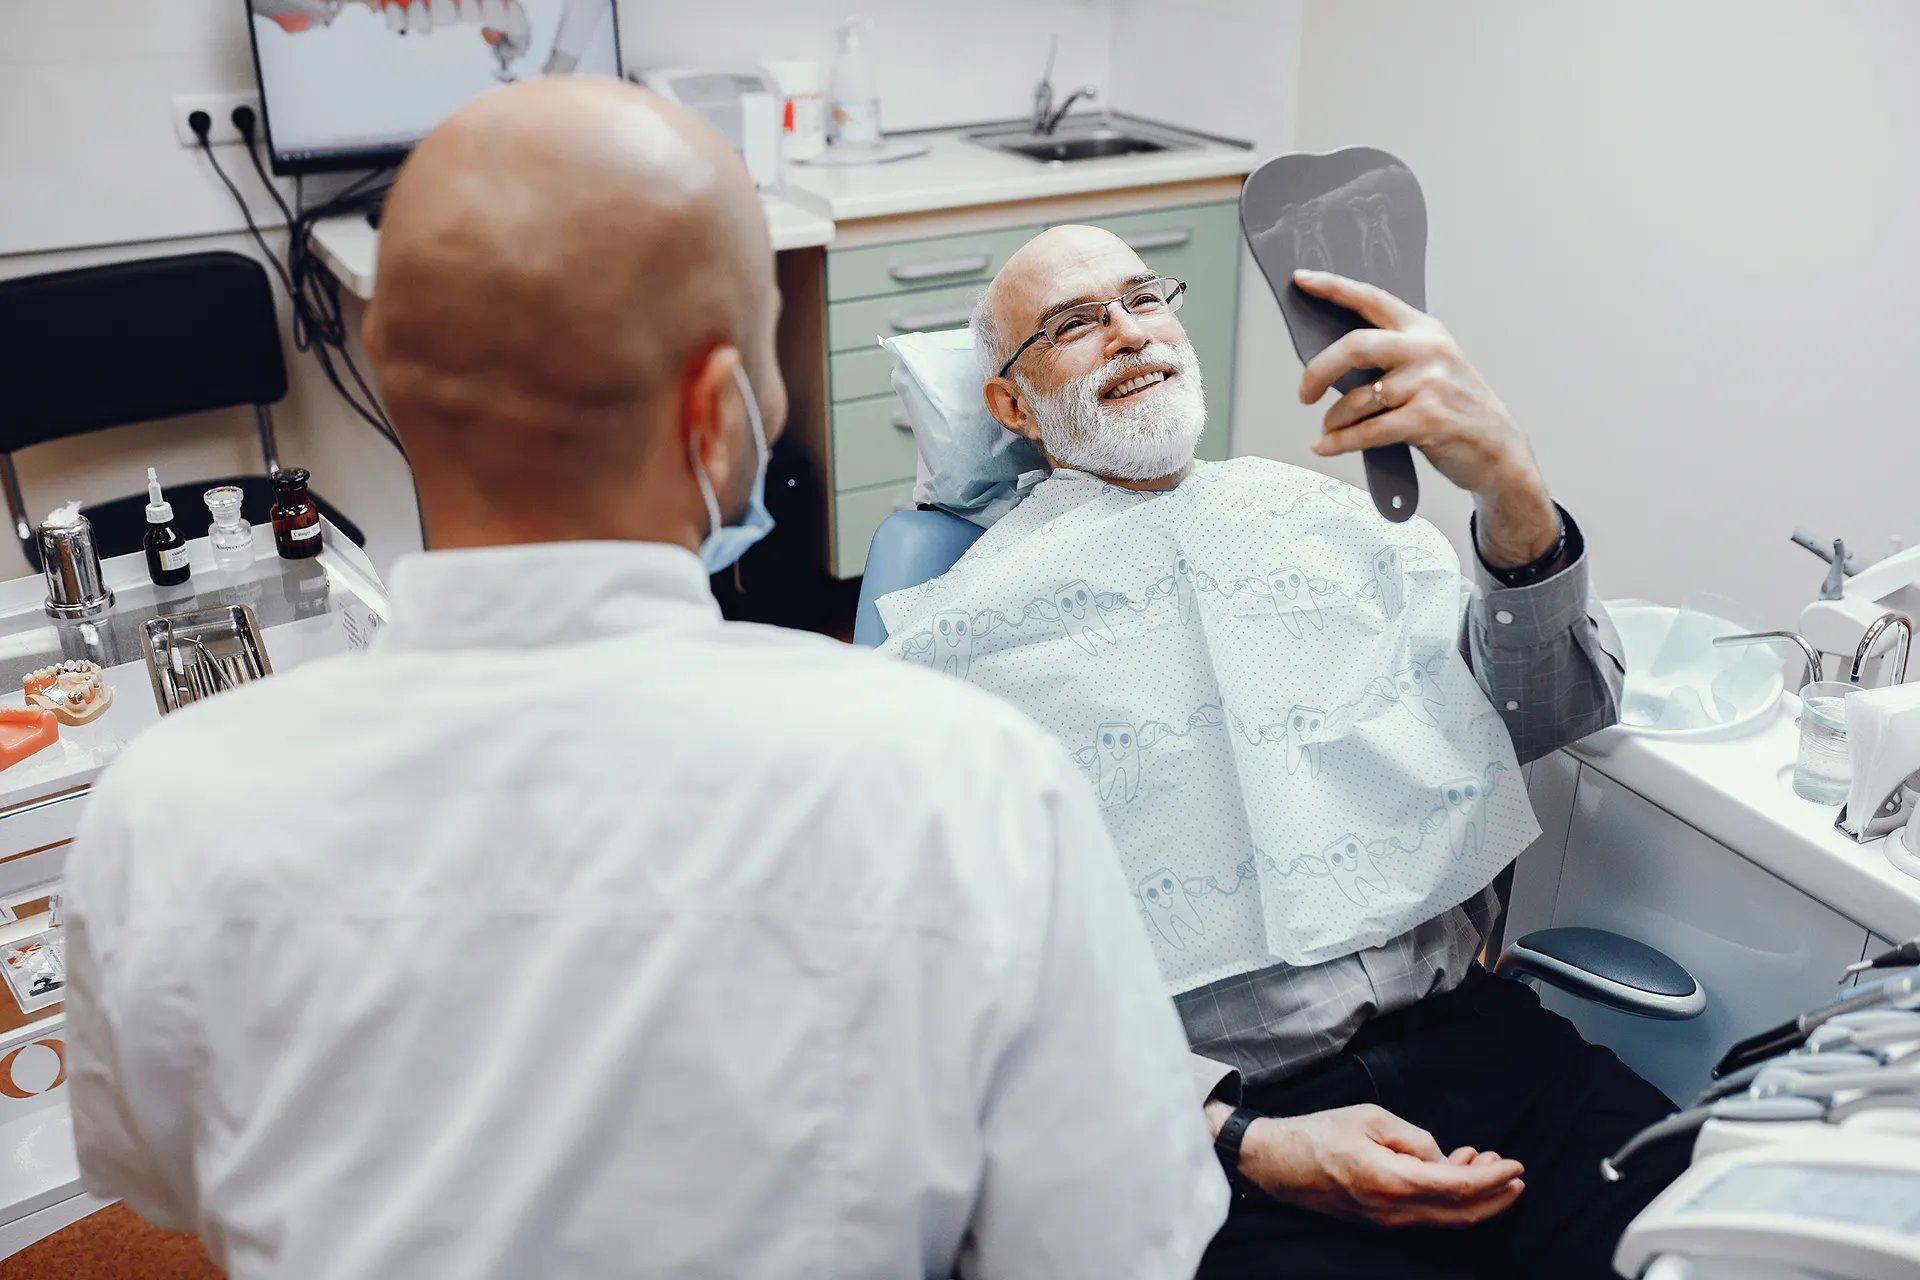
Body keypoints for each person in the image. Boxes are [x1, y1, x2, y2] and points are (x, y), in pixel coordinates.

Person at [62, 84, 1225, 1279]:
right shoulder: (967, 784)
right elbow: (1113, 1242)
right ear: (722, 416)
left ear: (395, 373)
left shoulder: (164, 808)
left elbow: (157, 1174)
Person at [915, 224, 1685, 1279]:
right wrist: (1241, 1140)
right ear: (1012, 404)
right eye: (1074, 324)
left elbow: (1555, 710)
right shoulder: (958, 642)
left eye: (1143, 299)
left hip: (1497, 1057)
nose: (1128, 333)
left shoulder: (1342, 523)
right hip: (1242, 1134)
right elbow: (963, 995)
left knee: (1729, 1235)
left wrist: (1511, 488)